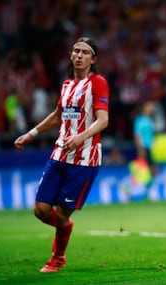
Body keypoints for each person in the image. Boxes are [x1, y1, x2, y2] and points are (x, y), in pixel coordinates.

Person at [14, 37, 109, 272]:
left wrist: (80, 137)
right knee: (41, 210)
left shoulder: (97, 82)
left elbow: (103, 120)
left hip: (84, 158)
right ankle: (65, 227)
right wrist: (31, 133)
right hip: (59, 154)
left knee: (63, 213)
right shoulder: (67, 85)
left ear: (93, 59)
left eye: (84, 52)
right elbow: (58, 116)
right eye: (75, 51)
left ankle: (57, 257)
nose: (78, 55)